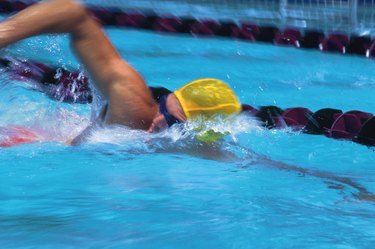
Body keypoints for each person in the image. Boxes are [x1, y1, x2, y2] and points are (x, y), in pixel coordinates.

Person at [0, 0, 241, 142]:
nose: (157, 121)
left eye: (174, 124)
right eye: (165, 109)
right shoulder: (133, 102)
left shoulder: (195, 146)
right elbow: (75, 15)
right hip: (28, 143)